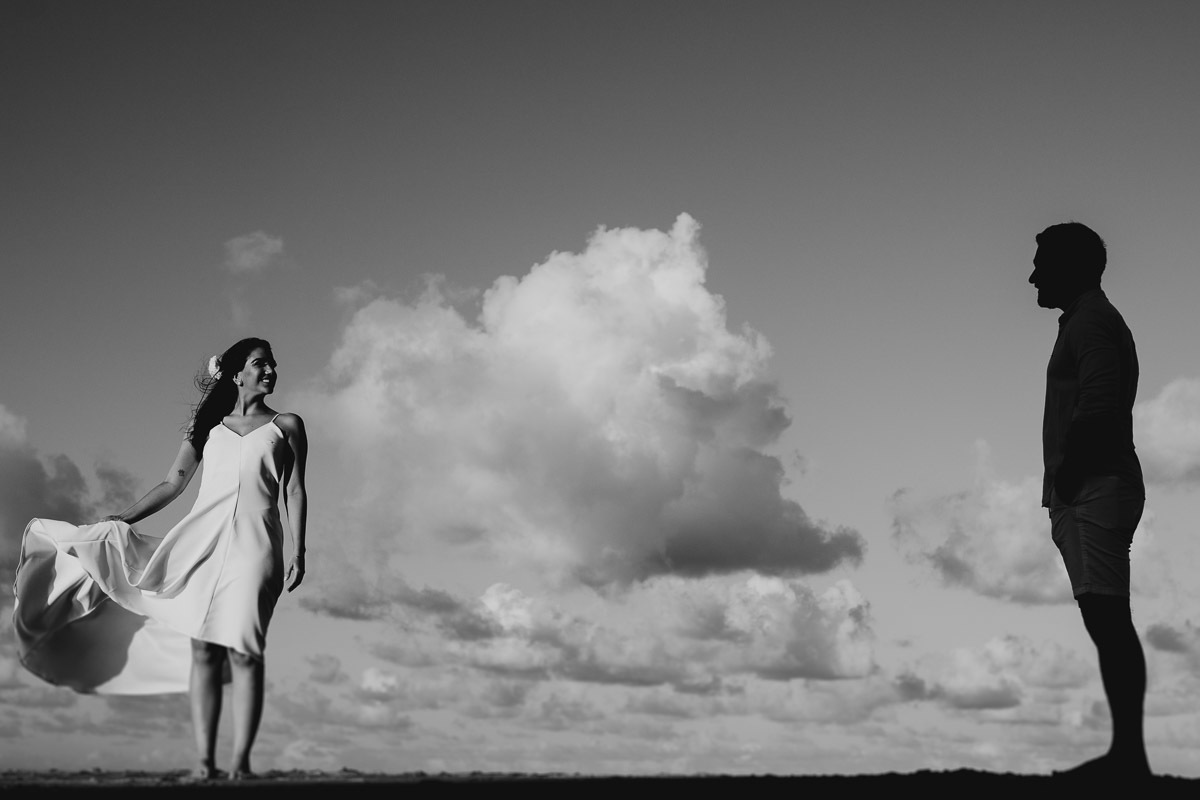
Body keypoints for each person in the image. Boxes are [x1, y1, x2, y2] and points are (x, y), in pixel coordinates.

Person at [13, 337, 308, 780]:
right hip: (201, 542)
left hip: (257, 544)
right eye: (260, 364)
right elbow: (173, 483)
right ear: (236, 374)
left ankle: (241, 765)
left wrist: (300, 549)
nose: (271, 371)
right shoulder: (208, 428)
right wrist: (124, 517)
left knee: (246, 649)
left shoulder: (287, 424)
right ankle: (205, 765)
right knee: (205, 651)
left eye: (272, 365)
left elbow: (295, 490)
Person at [1029, 223, 1149, 778]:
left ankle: (1128, 757)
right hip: (1091, 486)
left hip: (1097, 487)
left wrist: (1073, 477)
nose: (1032, 275)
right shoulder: (1086, 320)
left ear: (1071, 268)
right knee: (1105, 620)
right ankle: (1127, 754)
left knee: (1110, 620)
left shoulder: (1093, 321)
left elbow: (1099, 402)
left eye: (1041, 263)